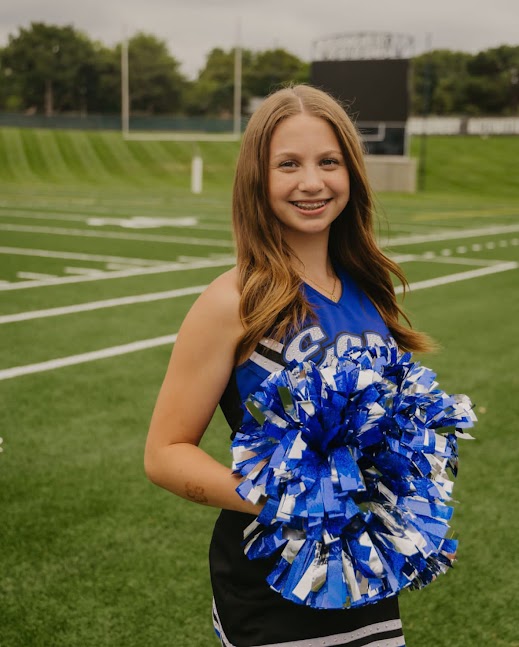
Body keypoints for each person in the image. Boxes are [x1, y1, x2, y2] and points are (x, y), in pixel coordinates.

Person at [144, 84, 432, 647]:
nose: (311, 182)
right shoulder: (233, 301)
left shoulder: (368, 294)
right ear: (258, 178)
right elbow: (164, 454)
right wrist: (286, 497)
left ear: (351, 173)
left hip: (367, 578)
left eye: (329, 162)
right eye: (288, 164)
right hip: (272, 580)